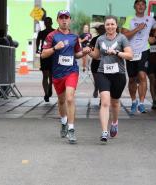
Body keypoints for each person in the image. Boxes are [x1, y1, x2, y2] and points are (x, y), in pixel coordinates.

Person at [41, 10, 90, 144]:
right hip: (57, 74)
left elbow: (77, 54)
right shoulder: (52, 36)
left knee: (69, 98)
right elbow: (43, 54)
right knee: (61, 101)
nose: (64, 20)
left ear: (70, 20)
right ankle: (63, 121)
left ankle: (71, 128)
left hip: (72, 71)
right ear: (57, 20)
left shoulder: (74, 37)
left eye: (66, 18)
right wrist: (55, 48)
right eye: (61, 18)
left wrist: (84, 52)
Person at [87, 16, 133, 143]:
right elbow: (96, 55)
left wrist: (117, 53)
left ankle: (114, 122)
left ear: (116, 26)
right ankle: (104, 131)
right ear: (105, 26)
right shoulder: (100, 39)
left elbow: (130, 55)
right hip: (103, 73)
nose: (110, 26)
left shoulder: (122, 38)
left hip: (119, 74)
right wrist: (88, 52)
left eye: (112, 24)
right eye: (108, 24)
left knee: (115, 102)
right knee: (105, 102)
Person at [121, 0, 156, 114]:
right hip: (131, 51)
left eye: (143, 4)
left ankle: (141, 104)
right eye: (138, 4)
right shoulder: (129, 18)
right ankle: (134, 102)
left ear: (145, 7)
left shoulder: (150, 19)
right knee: (132, 78)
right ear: (134, 6)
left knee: (142, 75)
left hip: (144, 50)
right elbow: (124, 34)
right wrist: (138, 29)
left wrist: (154, 37)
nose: (141, 6)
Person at [36, 17, 55, 102]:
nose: (47, 23)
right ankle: (46, 93)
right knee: (45, 75)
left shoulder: (55, 32)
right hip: (44, 55)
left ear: (51, 23)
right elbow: (37, 41)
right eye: (46, 22)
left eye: (48, 22)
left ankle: (49, 88)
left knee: (51, 76)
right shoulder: (41, 32)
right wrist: (37, 48)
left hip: (53, 55)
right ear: (44, 23)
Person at [89, 24, 105, 98]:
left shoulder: (108, 39)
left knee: (103, 81)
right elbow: (89, 48)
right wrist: (93, 51)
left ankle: (102, 99)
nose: (102, 31)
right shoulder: (94, 39)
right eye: (100, 29)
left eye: (103, 29)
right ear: (98, 31)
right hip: (96, 62)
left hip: (105, 62)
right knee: (97, 80)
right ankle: (96, 88)